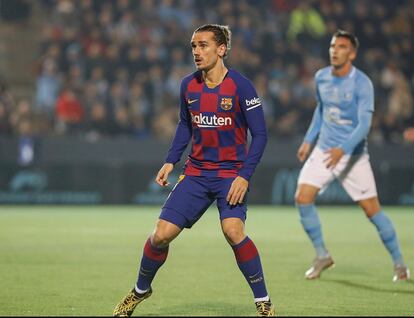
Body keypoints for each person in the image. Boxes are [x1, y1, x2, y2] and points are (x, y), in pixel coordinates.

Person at [113, 24, 275, 317]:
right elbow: (184, 124)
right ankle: (140, 291)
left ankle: (263, 303)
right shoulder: (188, 85)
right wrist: (170, 160)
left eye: (203, 45)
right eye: (193, 46)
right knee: (160, 236)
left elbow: (261, 135)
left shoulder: (241, 86)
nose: (196, 52)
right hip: (197, 173)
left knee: (233, 231)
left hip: (231, 175)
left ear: (221, 49)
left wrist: (244, 175)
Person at [295, 30, 410, 282]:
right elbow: (321, 110)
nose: (335, 50)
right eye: (333, 46)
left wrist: (343, 150)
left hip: (353, 155)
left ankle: (400, 263)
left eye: (342, 47)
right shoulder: (321, 77)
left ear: (353, 53)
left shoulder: (362, 83)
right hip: (325, 150)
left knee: (372, 211)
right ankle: (322, 254)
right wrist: (308, 140)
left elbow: (364, 125)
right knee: (303, 197)